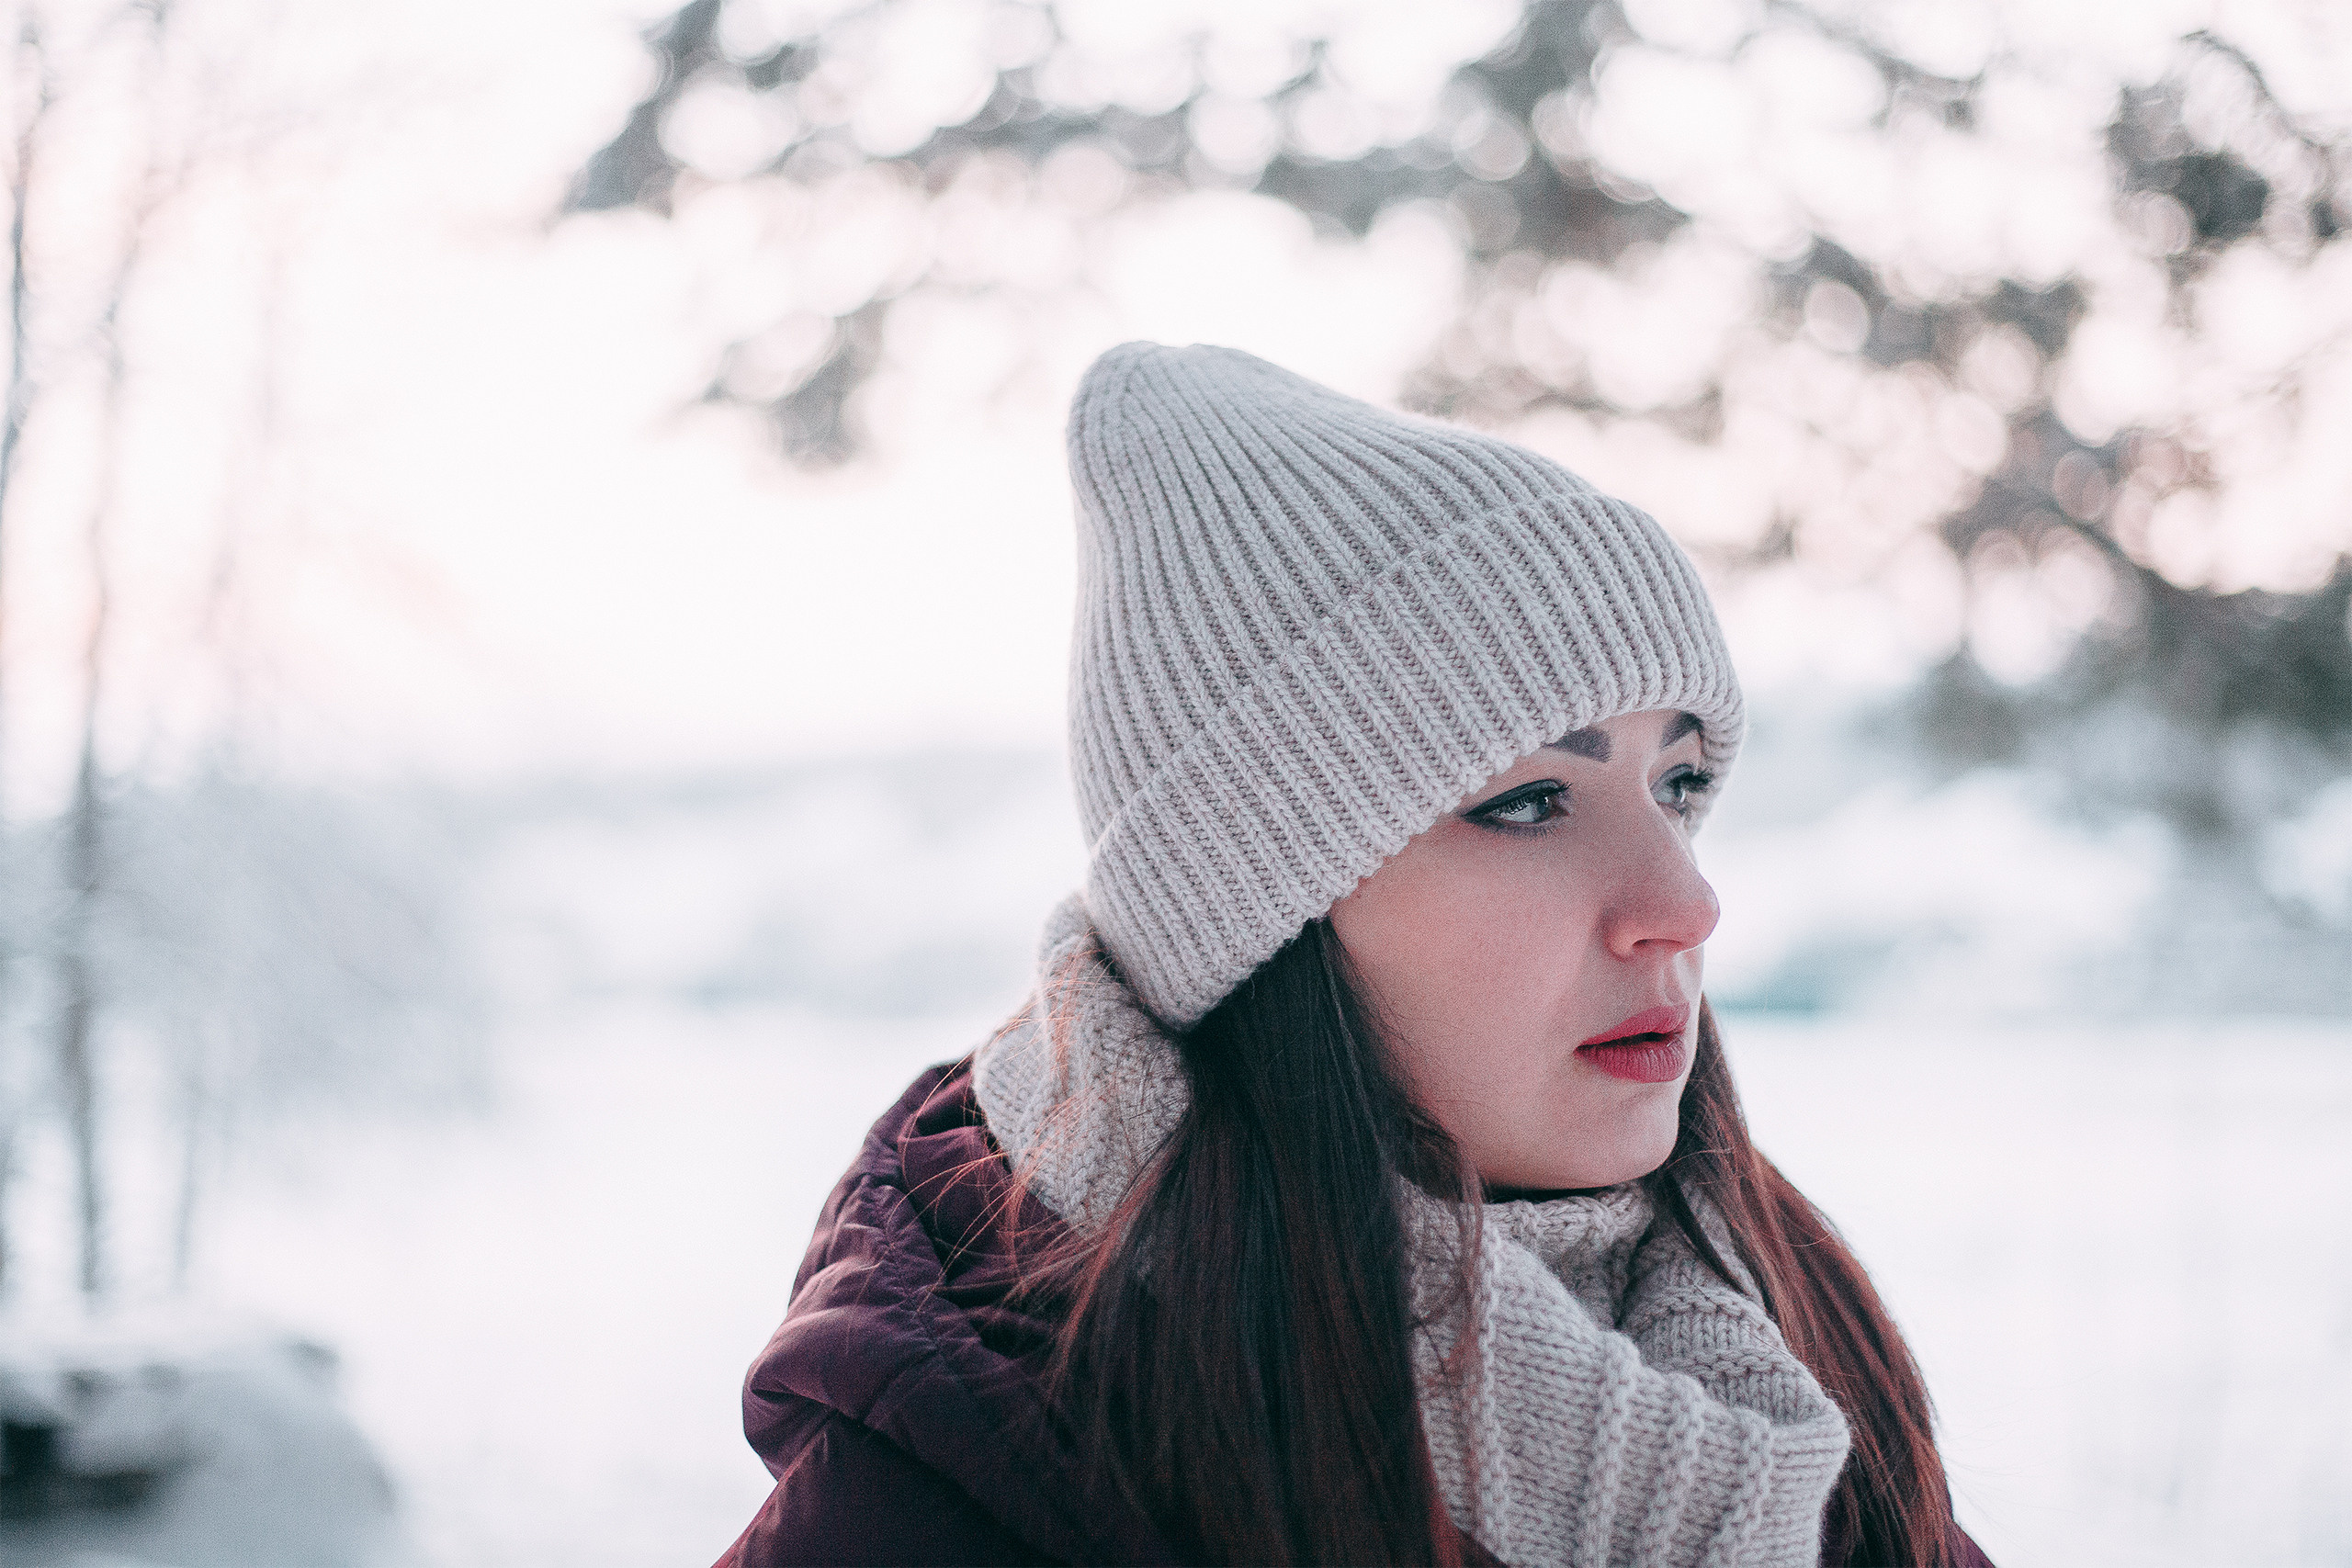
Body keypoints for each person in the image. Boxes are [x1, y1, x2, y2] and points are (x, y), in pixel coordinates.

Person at [716, 344, 1992, 1567]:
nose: (1686, 900)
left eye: (1682, 782)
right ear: (1264, 916)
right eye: (1527, 802)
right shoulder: (969, 1476)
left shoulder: (1780, 1352)